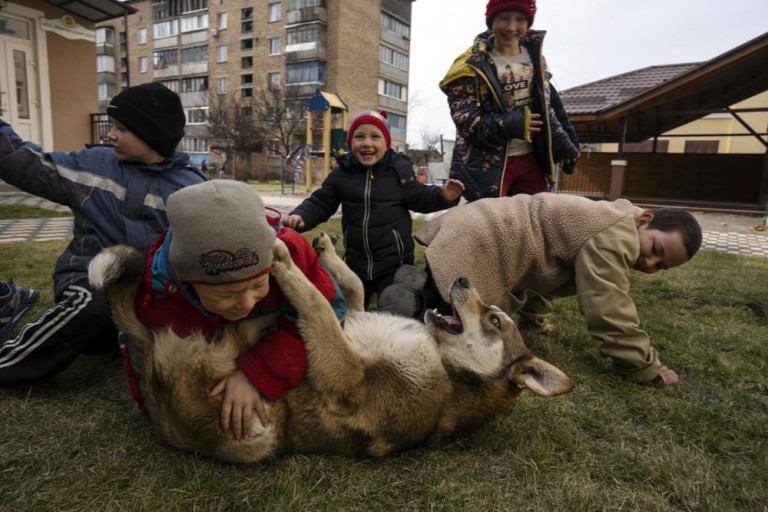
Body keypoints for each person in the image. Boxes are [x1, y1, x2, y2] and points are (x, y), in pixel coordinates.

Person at [0, 82, 206, 385]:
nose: (110, 134)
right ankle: (10, 364)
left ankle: (121, 339)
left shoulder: (189, 189)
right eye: (112, 125)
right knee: (94, 305)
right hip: (87, 277)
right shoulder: (94, 165)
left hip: (146, 297)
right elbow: (30, 165)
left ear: (152, 133)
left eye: (121, 128)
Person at [131, 180, 346, 440]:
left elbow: (328, 313)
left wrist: (257, 374)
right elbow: (141, 349)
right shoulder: (160, 297)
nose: (245, 302)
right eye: (226, 293)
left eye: (258, 284)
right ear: (188, 281)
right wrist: (158, 408)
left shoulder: (289, 253)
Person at [414, 193, 703, 386]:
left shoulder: (614, 222)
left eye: (660, 265)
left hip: (482, 223)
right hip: (485, 236)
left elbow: (544, 274)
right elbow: (609, 306)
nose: (649, 261)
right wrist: (645, 367)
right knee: (462, 320)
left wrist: (535, 321)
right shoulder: (616, 237)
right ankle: (414, 301)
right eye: (655, 248)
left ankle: (415, 287)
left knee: (459, 302)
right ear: (644, 220)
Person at [282, 110, 465, 312]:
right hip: (356, 262)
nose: (367, 143)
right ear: (350, 143)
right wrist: (301, 216)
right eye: (359, 136)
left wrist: (445, 197)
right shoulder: (342, 175)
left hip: (394, 263)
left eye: (375, 137)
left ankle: (414, 309)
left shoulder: (398, 173)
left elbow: (420, 197)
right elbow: (320, 202)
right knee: (345, 306)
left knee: (397, 304)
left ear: (386, 144)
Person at [440, 0, 580, 202]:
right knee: (491, 227)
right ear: (491, 20)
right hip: (485, 165)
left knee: (536, 221)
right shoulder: (469, 66)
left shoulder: (536, 58)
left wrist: (568, 144)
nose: (511, 27)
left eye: (520, 19)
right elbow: (467, 123)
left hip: (532, 158)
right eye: (504, 18)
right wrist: (513, 124)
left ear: (529, 22)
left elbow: (551, 106)